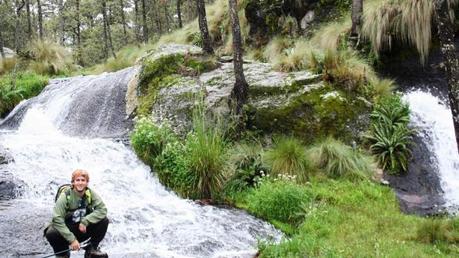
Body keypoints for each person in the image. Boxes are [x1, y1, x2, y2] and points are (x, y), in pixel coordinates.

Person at [44, 169, 109, 258]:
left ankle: (92, 248)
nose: (80, 183)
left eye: (83, 180)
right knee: (51, 232)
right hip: (66, 231)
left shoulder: (90, 193)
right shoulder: (65, 196)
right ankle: (62, 254)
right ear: (73, 182)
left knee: (104, 220)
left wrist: (85, 221)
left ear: (87, 183)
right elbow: (57, 219)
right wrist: (72, 240)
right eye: (77, 180)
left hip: (82, 228)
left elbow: (102, 209)